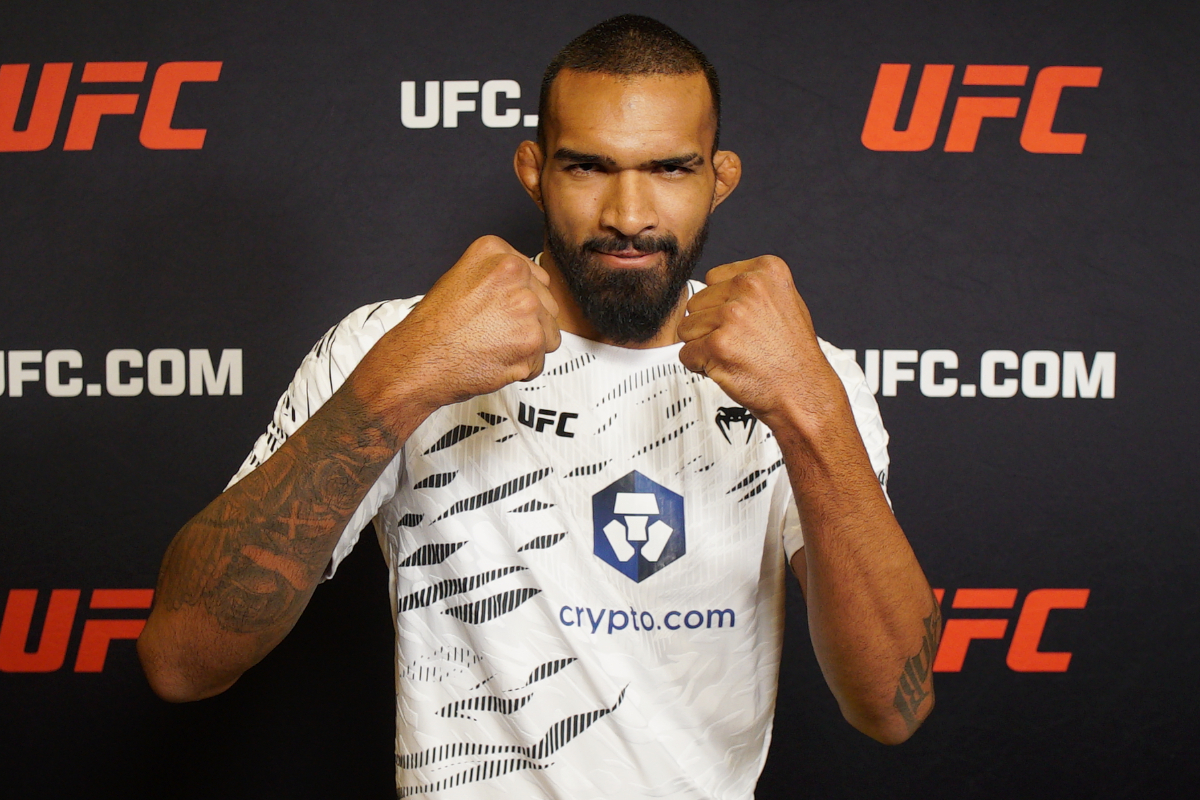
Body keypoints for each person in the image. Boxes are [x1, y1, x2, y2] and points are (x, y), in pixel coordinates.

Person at [138, 14, 939, 799]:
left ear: (719, 178)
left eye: (669, 169)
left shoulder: (805, 374)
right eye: (589, 167)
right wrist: (402, 383)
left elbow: (890, 707)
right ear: (535, 171)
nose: (629, 215)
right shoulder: (389, 345)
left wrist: (810, 411)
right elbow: (181, 660)